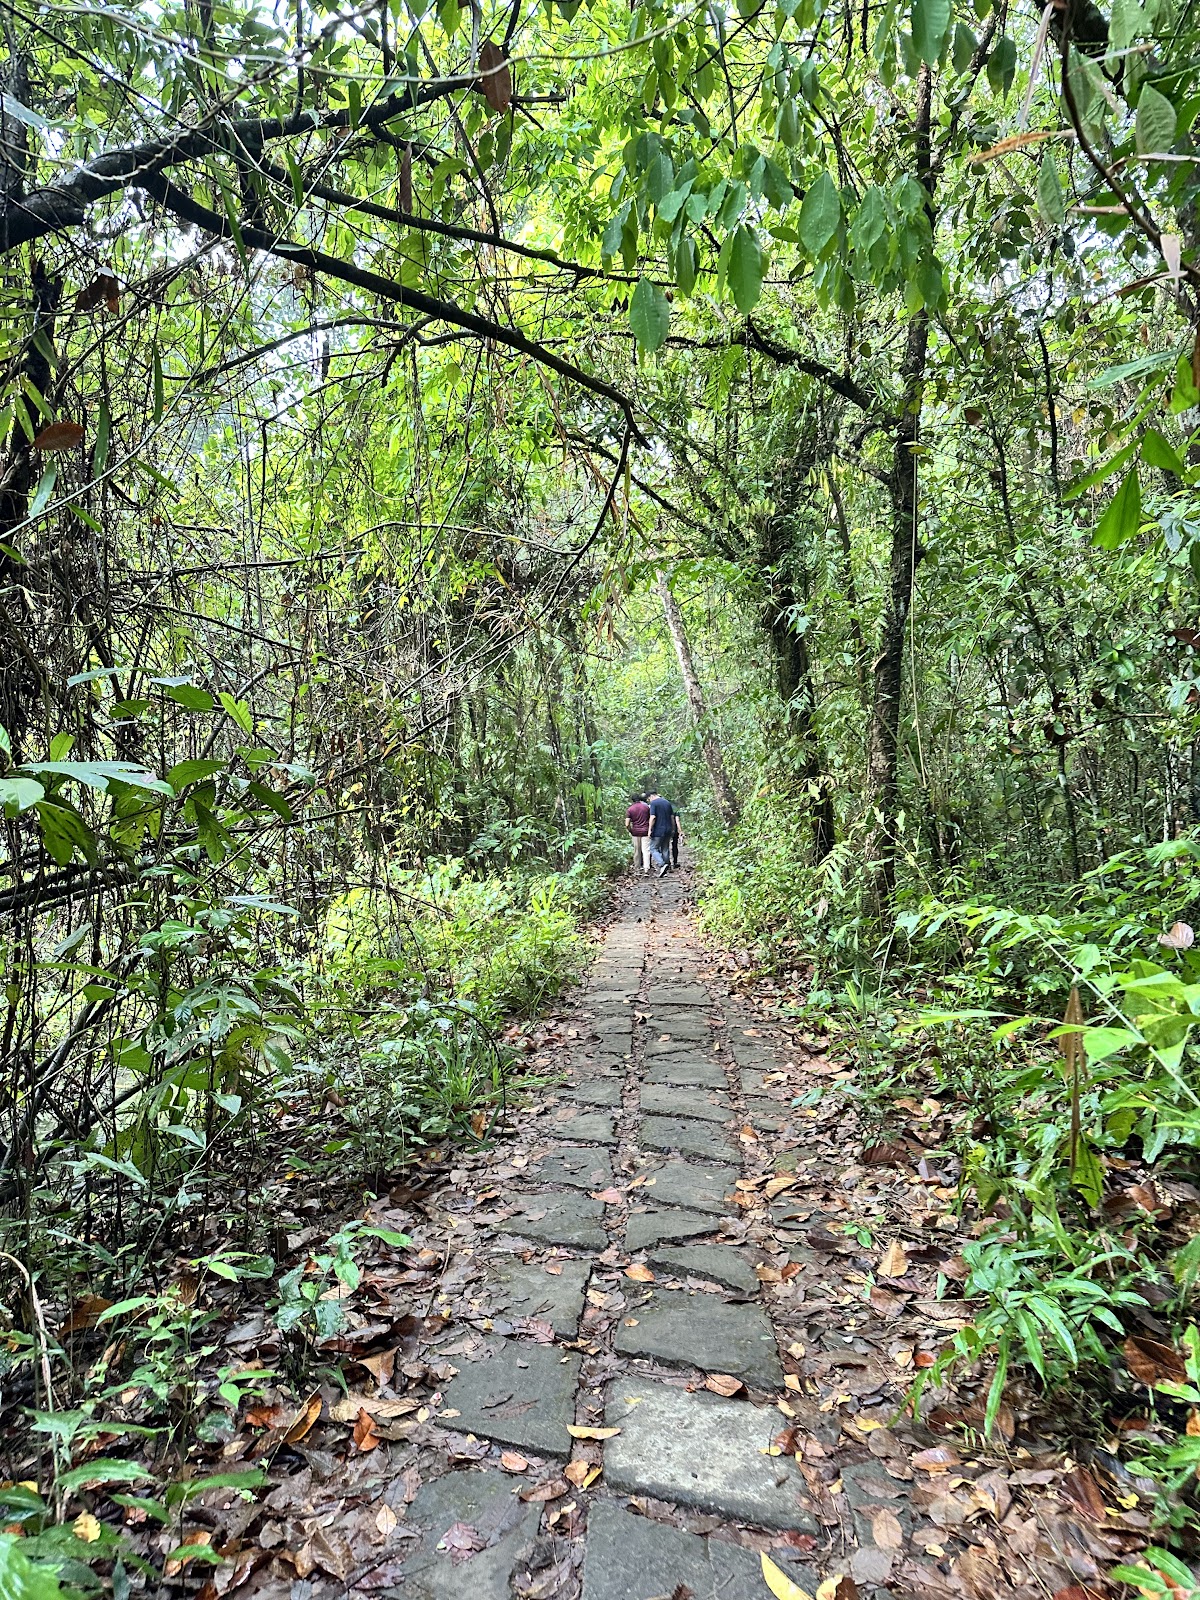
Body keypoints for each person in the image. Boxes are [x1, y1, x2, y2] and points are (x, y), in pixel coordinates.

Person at [647, 791, 674, 877]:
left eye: (648, 799)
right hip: (668, 829)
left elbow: (653, 817)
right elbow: (672, 817)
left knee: (653, 848)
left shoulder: (654, 803)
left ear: (651, 796)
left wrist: (649, 829)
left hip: (658, 830)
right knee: (665, 849)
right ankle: (666, 868)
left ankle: (662, 864)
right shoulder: (667, 802)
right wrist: (673, 828)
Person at [624, 792, 651, 875]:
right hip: (646, 831)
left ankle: (637, 869)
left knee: (637, 851)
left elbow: (627, 824)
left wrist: (630, 830)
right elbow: (650, 818)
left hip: (635, 832)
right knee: (646, 850)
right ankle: (646, 868)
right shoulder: (646, 807)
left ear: (632, 800)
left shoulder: (630, 809)